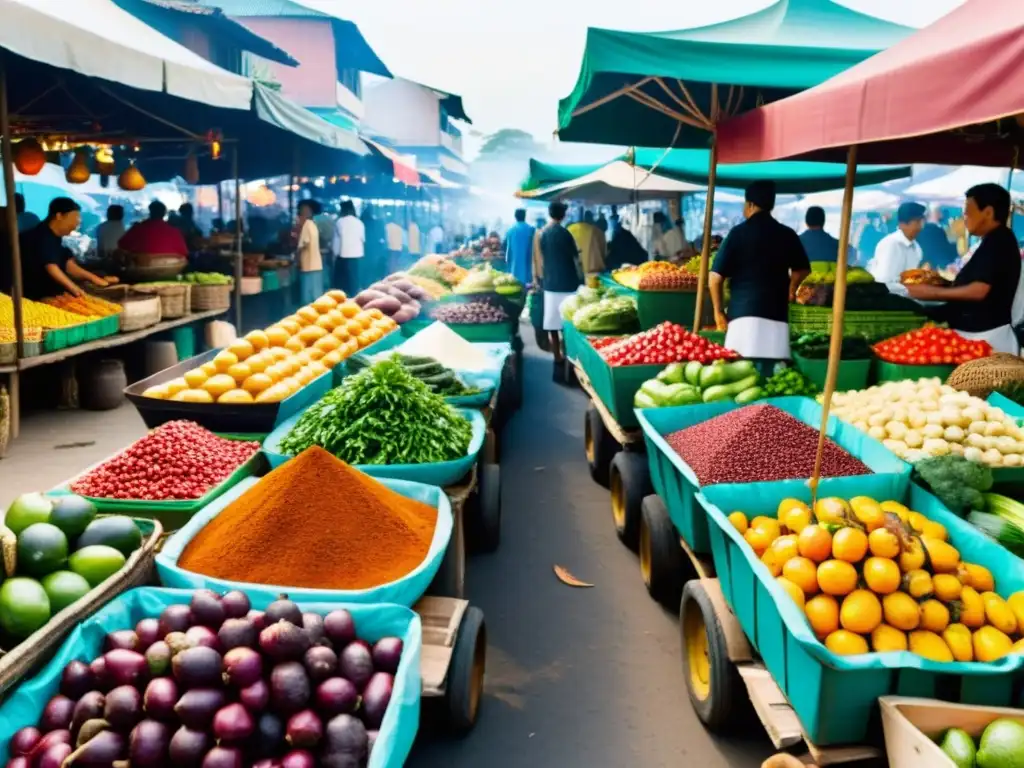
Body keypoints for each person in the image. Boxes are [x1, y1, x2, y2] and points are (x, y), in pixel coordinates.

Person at [906, 183, 1022, 354]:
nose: (963, 217)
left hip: (987, 339)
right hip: (976, 335)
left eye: (967, 212)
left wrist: (930, 292)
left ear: (988, 212)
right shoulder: (991, 240)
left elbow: (979, 290)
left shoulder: (999, 241)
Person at [709, 180, 810, 369]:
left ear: (750, 205)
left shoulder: (737, 233)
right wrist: (792, 289)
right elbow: (802, 269)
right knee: (773, 377)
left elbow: (715, 277)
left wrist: (718, 311)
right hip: (776, 316)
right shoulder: (786, 234)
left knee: (740, 375)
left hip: (741, 317)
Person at [20, 198, 109, 299]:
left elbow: (67, 265)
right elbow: (52, 268)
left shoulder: (54, 237)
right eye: (73, 219)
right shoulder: (42, 236)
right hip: (36, 297)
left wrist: (93, 278)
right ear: (59, 216)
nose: (76, 225)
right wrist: (76, 290)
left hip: (50, 294)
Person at [539, 201, 582, 381]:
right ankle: (569, 358)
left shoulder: (543, 234)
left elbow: (543, 256)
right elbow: (575, 257)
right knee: (567, 324)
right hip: (568, 283)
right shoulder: (565, 234)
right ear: (563, 215)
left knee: (552, 325)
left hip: (550, 284)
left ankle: (557, 357)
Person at [868, 203, 925, 285]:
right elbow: (884, 283)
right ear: (902, 224)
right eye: (917, 222)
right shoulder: (890, 245)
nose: (920, 227)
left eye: (921, 222)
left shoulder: (916, 248)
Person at [119, 200, 188, 258]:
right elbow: (184, 252)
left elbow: (122, 244)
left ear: (150, 212)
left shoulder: (138, 228)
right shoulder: (175, 231)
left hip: (140, 269)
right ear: (164, 214)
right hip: (171, 269)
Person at [332, 199, 366, 296]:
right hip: (357, 256)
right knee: (355, 283)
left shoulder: (340, 222)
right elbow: (363, 240)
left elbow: (336, 242)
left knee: (343, 285)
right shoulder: (359, 222)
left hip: (343, 256)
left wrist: (334, 255)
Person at [295, 200, 324, 304]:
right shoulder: (313, 224)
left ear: (310, 211)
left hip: (308, 266)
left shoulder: (307, 224)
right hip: (316, 265)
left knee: (308, 299)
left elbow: (304, 243)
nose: (301, 212)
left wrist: (296, 258)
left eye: (304, 209)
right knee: (316, 296)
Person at [917, 205, 959, 270]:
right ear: (935, 213)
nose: (941, 214)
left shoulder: (920, 230)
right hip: (937, 266)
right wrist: (946, 264)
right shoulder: (936, 230)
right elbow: (940, 249)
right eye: (939, 211)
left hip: (926, 265)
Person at [567, 210, 607, 278]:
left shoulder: (569, 229)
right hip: (593, 271)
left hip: (573, 269)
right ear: (592, 220)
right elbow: (603, 253)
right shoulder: (597, 232)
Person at [505, 208, 535, 286]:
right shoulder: (531, 230)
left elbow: (508, 251)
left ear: (515, 217)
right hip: (529, 267)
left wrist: (507, 262)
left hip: (514, 268)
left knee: (516, 288)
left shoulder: (510, 231)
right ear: (525, 216)